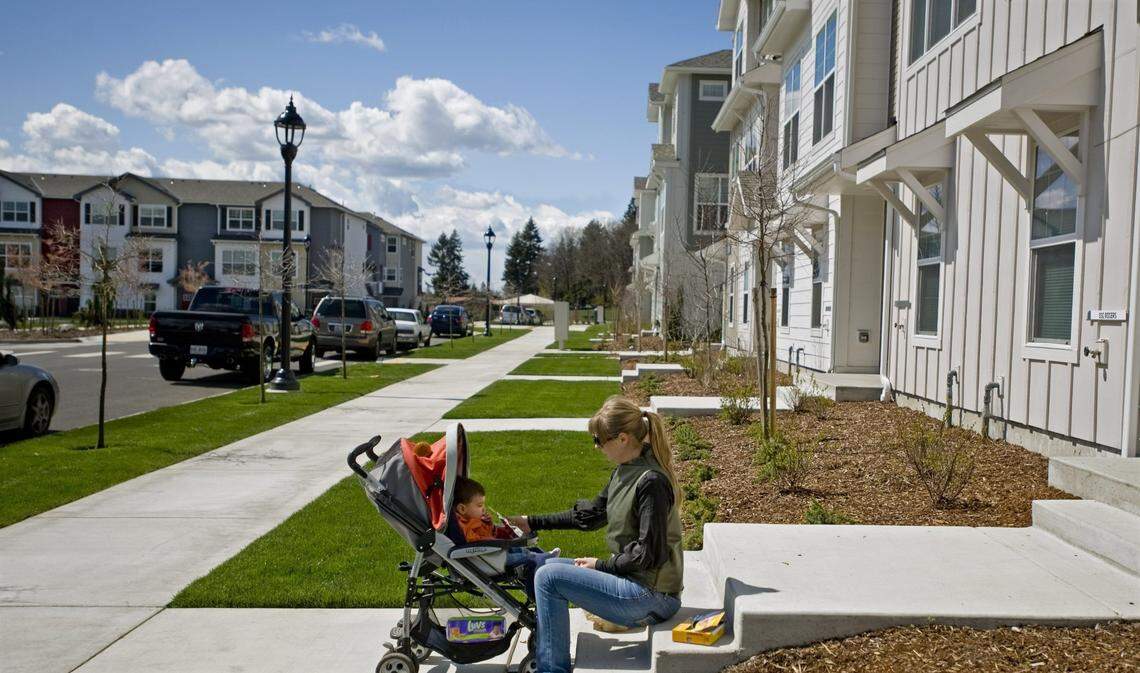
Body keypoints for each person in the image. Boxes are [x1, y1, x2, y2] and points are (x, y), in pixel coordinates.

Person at [506, 396, 684, 673]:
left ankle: (552, 669)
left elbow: (648, 554)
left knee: (549, 577)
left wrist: (601, 565)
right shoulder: (625, 472)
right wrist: (531, 522)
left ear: (622, 439)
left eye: (599, 440)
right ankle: (549, 652)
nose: (597, 447)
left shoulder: (651, 482)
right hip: (635, 584)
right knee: (546, 566)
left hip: (653, 597)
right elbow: (588, 516)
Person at [450, 476, 559, 594]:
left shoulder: (471, 520)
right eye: (479, 505)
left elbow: (489, 533)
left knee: (525, 549)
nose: (483, 509)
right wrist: (489, 532)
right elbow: (474, 539)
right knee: (529, 558)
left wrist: (492, 526)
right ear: (462, 508)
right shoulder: (465, 524)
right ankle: (542, 559)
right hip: (490, 558)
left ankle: (543, 557)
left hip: (493, 553)